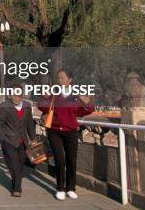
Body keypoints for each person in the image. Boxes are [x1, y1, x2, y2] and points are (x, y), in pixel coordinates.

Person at [38, 69, 94, 201]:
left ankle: (71, 188)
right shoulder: (54, 93)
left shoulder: (76, 95)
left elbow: (85, 111)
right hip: (54, 131)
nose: (59, 80)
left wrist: (87, 102)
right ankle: (60, 188)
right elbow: (42, 106)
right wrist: (45, 98)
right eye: (58, 78)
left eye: (62, 78)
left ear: (70, 80)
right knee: (59, 159)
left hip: (71, 131)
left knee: (71, 160)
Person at [0, 84, 36, 197]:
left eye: (19, 94)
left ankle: (15, 182)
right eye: (14, 94)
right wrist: (2, 138)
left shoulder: (27, 106)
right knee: (14, 163)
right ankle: (17, 188)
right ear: (10, 95)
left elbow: (30, 124)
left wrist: (32, 138)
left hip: (23, 140)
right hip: (8, 140)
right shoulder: (4, 106)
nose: (17, 97)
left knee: (21, 163)